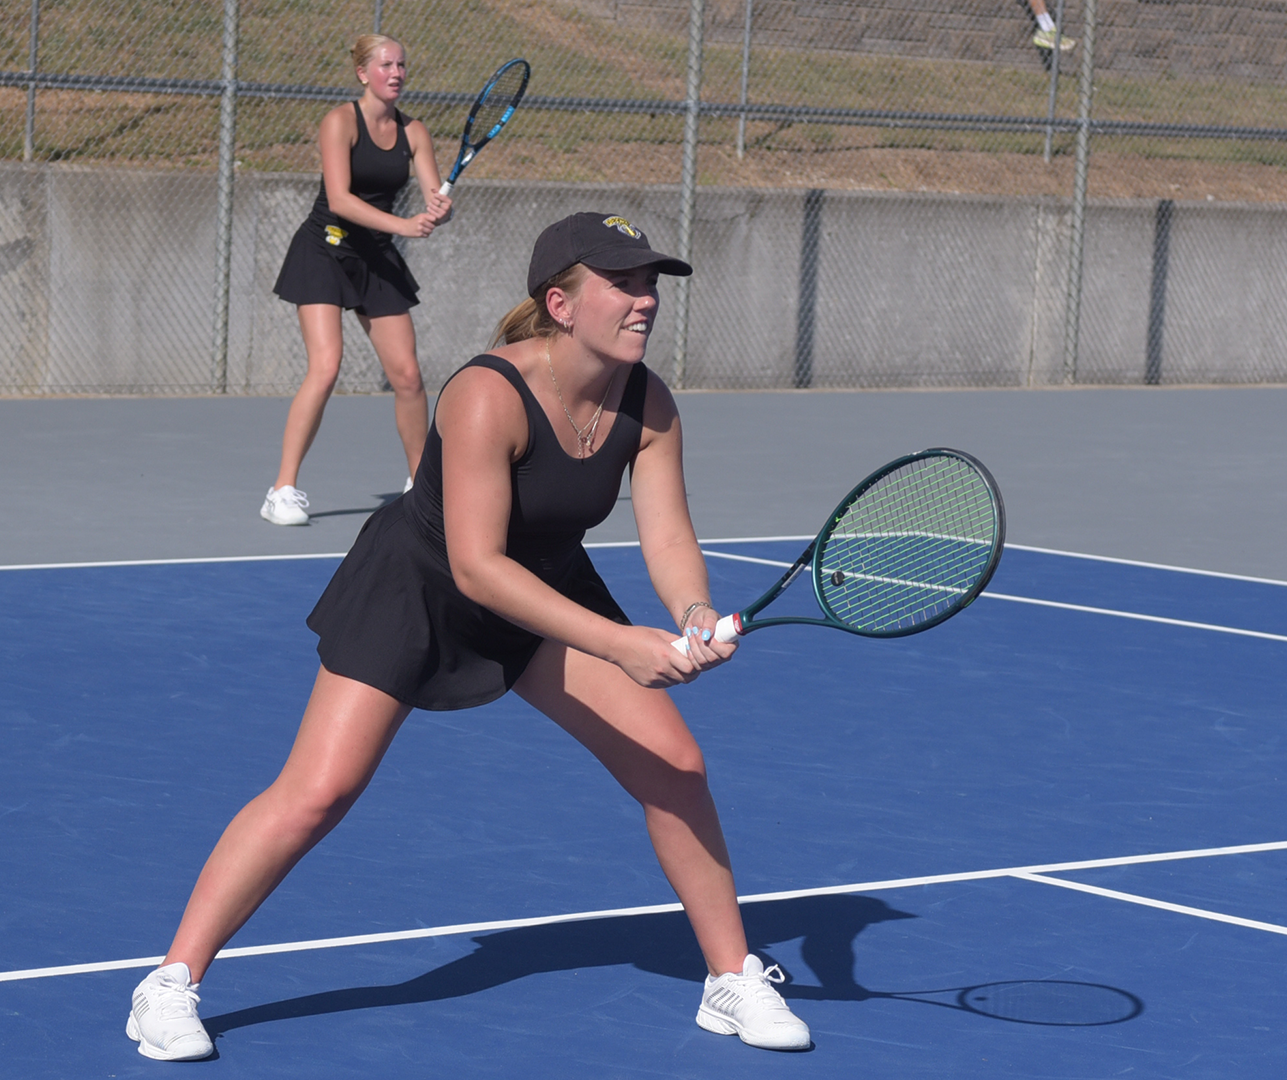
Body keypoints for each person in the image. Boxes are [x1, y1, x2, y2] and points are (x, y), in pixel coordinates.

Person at [127, 213, 812, 1060]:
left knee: (675, 765)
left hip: (548, 582)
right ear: (560, 303)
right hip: (421, 587)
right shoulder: (487, 393)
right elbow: (480, 568)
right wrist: (617, 642)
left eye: (651, 285)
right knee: (318, 793)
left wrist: (694, 613)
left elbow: (667, 534)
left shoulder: (650, 402)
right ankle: (170, 983)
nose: (646, 301)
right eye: (625, 284)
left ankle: (729, 979)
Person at [262, 34, 453, 527]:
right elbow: (341, 198)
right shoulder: (340, 121)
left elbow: (434, 196)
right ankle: (282, 490)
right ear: (363, 73)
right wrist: (406, 226)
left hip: (376, 255)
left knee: (408, 376)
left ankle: (421, 484)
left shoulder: (415, 132)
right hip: (325, 249)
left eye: (402, 65)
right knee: (326, 366)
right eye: (386, 64)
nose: (396, 72)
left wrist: (440, 209)